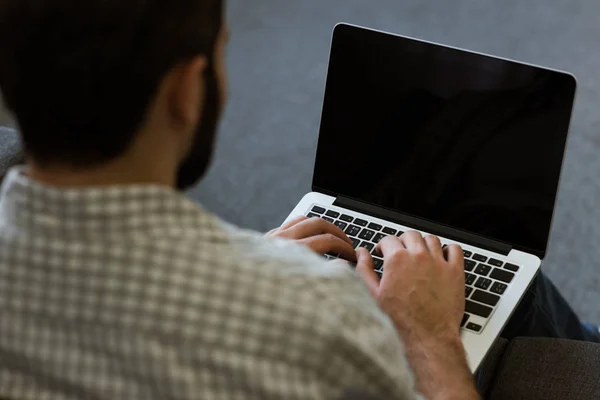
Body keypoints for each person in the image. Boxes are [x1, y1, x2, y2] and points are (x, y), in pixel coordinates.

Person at [0, 1, 596, 399]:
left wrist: (242, 268)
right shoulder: (320, 318)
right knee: (521, 287)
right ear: (186, 90)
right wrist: (427, 336)